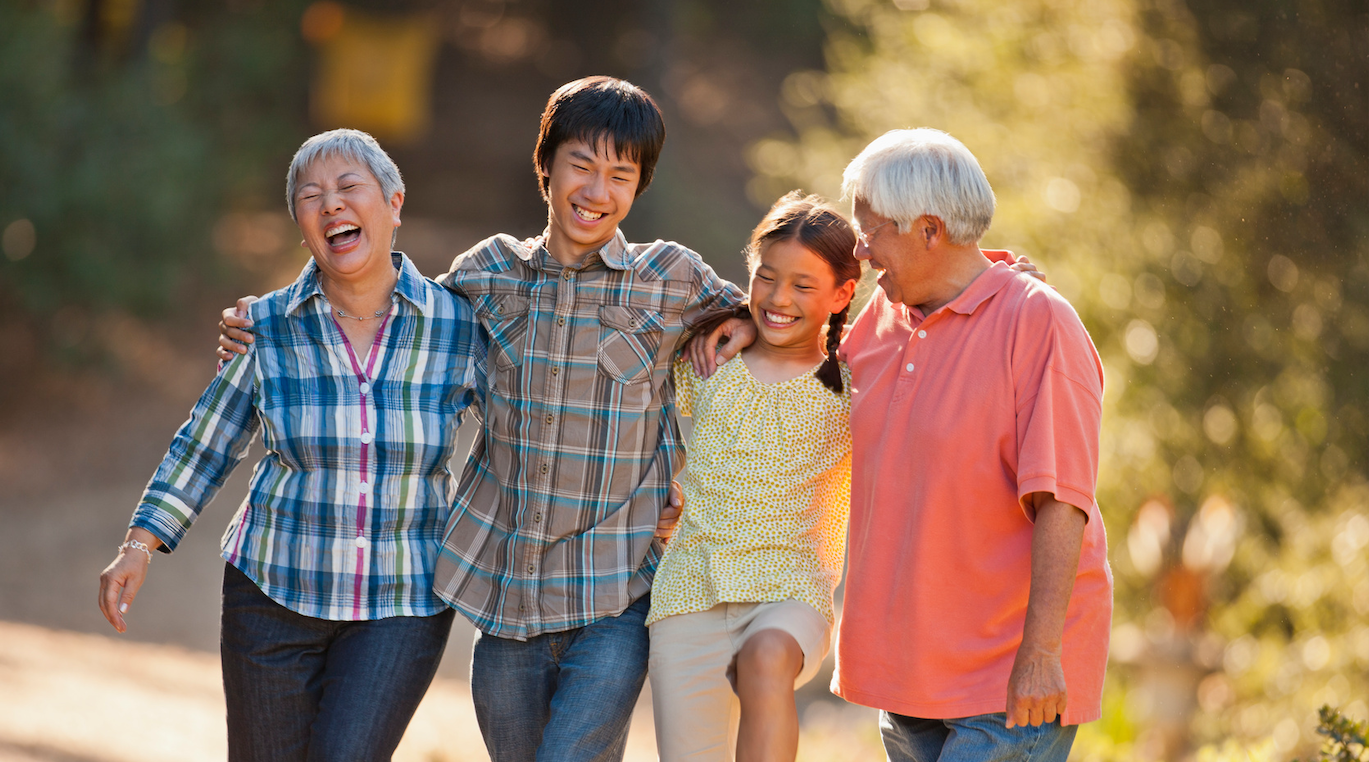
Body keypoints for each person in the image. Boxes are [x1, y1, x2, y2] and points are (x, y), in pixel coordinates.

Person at [218, 77, 739, 762]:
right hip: (507, 600)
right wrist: (270, 318)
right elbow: (387, 309)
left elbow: (775, 325)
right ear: (546, 165)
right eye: (581, 164)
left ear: (638, 186)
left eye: (620, 174)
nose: (596, 190)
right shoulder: (486, 273)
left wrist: (737, 332)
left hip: (617, 590)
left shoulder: (673, 278)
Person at [692, 128, 1110, 761]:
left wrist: (1042, 653)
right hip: (910, 679)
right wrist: (753, 323)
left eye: (873, 230)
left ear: (930, 230)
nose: (860, 250)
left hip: (1007, 682)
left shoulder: (1039, 321)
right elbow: (807, 384)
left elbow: (1064, 500)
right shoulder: (881, 323)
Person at [98, 128, 486, 762]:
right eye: (311, 196)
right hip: (272, 593)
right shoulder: (266, 326)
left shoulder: (458, 326)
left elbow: (526, 428)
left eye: (349, 187)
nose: (331, 204)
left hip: (402, 599)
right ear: (302, 226)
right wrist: (139, 543)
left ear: (394, 204)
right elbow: (208, 439)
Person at [646, 192, 858, 762]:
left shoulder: (854, 385)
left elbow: (928, 307)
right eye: (766, 278)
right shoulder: (710, 361)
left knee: (766, 657)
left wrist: (1006, 267)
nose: (779, 298)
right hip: (690, 590)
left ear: (842, 295)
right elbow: (659, 439)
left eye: (804, 286)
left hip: (790, 593)